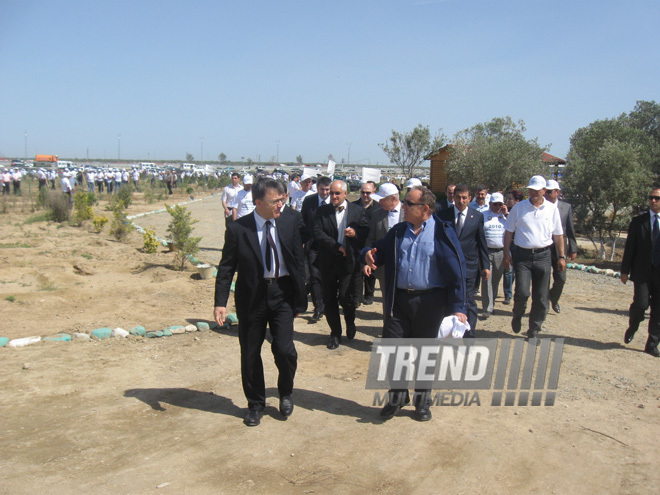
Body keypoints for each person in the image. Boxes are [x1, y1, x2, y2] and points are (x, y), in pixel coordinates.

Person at [363, 186, 467, 421]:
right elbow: (378, 252)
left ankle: (422, 401)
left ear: (425, 209)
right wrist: (368, 255)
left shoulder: (443, 232)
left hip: (430, 301)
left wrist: (459, 307)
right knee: (393, 350)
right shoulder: (399, 231)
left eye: (409, 204)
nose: (404, 207)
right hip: (398, 300)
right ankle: (398, 397)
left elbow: (458, 271)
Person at [214, 178, 307, 426]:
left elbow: (298, 260)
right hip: (251, 298)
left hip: (282, 294)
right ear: (258, 203)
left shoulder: (290, 221)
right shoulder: (238, 229)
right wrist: (220, 302)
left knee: (285, 350)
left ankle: (285, 392)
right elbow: (226, 268)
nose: (280, 205)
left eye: (283, 199)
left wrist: (301, 298)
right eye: (275, 201)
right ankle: (255, 404)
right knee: (250, 353)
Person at [503, 176, 565, 339]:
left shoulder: (552, 209)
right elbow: (509, 231)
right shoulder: (519, 208)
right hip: (522, 255)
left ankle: (534, 329)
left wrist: (562, 256)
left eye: (537, 190)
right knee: (522, 291)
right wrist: (506, 254)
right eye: (531, 190)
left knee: (541, 296)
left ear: (544, 191)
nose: (534, 193)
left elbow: (558, 235)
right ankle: (518, 313)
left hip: (544, 255)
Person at [313, 180, 369, 349]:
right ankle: (335, 334)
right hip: (328, 260)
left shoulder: (357, 211)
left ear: (345, 194)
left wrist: (355, 233)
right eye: (331, 193)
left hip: (349, 262)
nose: (334, 196)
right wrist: (337, 247)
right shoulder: (322, 211)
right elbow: (317, 232)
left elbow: (366, 230)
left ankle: (350, 321)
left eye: (337, 193)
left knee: (346, 297)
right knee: (329, 299)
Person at [437, 184, 490, 337]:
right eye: (458, 197)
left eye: (464, 198)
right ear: (453, 198)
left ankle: (469, 335)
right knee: (447, 300)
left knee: (468, 300)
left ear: (469, 199)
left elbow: (481, 242)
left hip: (469, 267)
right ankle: (447, 333)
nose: (461, 201)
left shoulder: (477, 216)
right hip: (448, 267)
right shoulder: (443, 215)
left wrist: (485, 265)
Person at [620, 187, 660, 357]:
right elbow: (630, 248)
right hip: (641, 271)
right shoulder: (638, 222)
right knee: (641, 304)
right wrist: (624, 271)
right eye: (651, 197)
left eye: (657, 198)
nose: (653, 201)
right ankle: (633, 325)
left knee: (658, 309)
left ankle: (652, 343)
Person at [301, 176, 332, 321]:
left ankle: (329, 304)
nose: (325, 192)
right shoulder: (309, 201)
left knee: (328, 277)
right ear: (317, 187)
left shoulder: (335, 200)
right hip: (313, 245)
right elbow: (302, 222)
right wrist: (302, 241)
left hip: (331, 247)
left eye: (327, 189)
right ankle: (318, 307)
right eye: (322, 189)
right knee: (314, 277)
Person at [544, 179, 578, 313]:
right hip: (545, 248)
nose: (546, 194)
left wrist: (573, 248)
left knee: (561, 279)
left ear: (557, 192)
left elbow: (570, 229)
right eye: (545, 191)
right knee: (544, 279)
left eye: (549, 191)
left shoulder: (566, 207)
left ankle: (553, 297)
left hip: (560, 249)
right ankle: (544, 306)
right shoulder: (541, 206)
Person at [352, 181, 381, 305]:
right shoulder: (353, 206)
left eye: (368, 193)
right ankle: (357, 297)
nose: (365, 195)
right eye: (363, 192)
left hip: (371, 243)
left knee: (370, 270)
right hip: (357, 242)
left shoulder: (378, 208)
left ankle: (369, 294)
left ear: (373, 192)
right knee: (356, 271)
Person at [480, 192, 507, 318]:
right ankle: (487, 307)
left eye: (499, 204)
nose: (497, 207)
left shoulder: (506, 217)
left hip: (501, 252)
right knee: (486, 279)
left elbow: (513, 229)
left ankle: (492, 302)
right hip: (487, 252)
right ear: (490, 204)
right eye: (494, 204)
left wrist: (506, 214)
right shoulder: (483, 216)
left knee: (496, 280)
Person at [502, 189, 524, 304]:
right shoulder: (505, 210)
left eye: (510, 199)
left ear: (517, 200)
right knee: (508, 270)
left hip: (518, 244)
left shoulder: (521, 211)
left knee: (517, 270)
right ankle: (508, 294)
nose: (508, 201)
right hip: (509, 244)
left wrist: (507, 214)